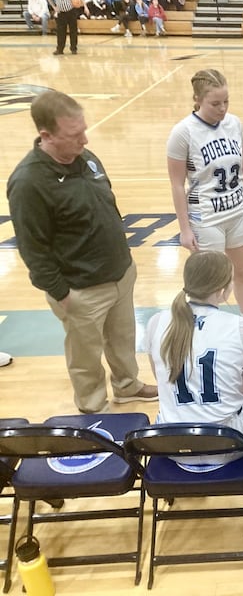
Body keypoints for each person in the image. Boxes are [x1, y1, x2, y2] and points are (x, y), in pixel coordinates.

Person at [7, 90, 157, 414]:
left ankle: (127, 385)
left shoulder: (86, 158)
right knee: (85, 357)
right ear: (46, 135)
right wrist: (61, 293)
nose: (85, 139)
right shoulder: (29, 182)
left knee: (123, 341)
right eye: (75, 135)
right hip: (80, 289)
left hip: (119, 274)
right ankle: (93, 407)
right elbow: (32, 248)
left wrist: (125, 263)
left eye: (84, 129)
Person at [167, 69, 243, 347]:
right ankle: (206, 331)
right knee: (211, 282)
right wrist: (184, 228)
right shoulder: (182, 133)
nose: (222, 109)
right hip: (207, 218)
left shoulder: (235, 124)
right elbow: (178, 184)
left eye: (226, 101)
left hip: (238, 213)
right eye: (215, 103)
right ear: (198, 99)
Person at [145, 251, 243, 461]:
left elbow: (161, 379)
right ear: (225, 289)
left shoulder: (156, 322)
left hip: (173, 444)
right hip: (228, 443)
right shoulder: (242, 327)